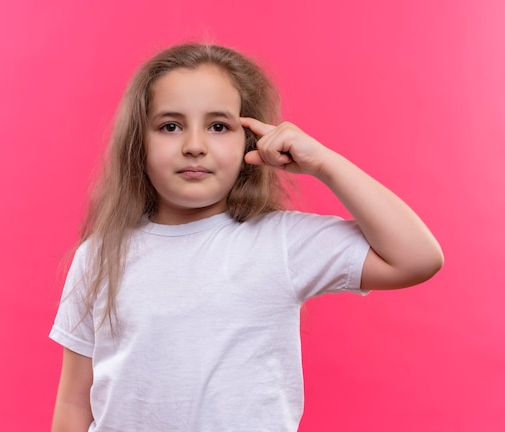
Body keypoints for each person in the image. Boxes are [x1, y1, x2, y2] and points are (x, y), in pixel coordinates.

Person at [49, 43, 443, 431]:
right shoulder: (101, 254)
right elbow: (73, 401)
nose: (194, 146)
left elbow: (416, 258)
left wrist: (324, 163)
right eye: (170, 126)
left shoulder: (282, 241)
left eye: (219, 126)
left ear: (250, 142)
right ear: (139, 142)